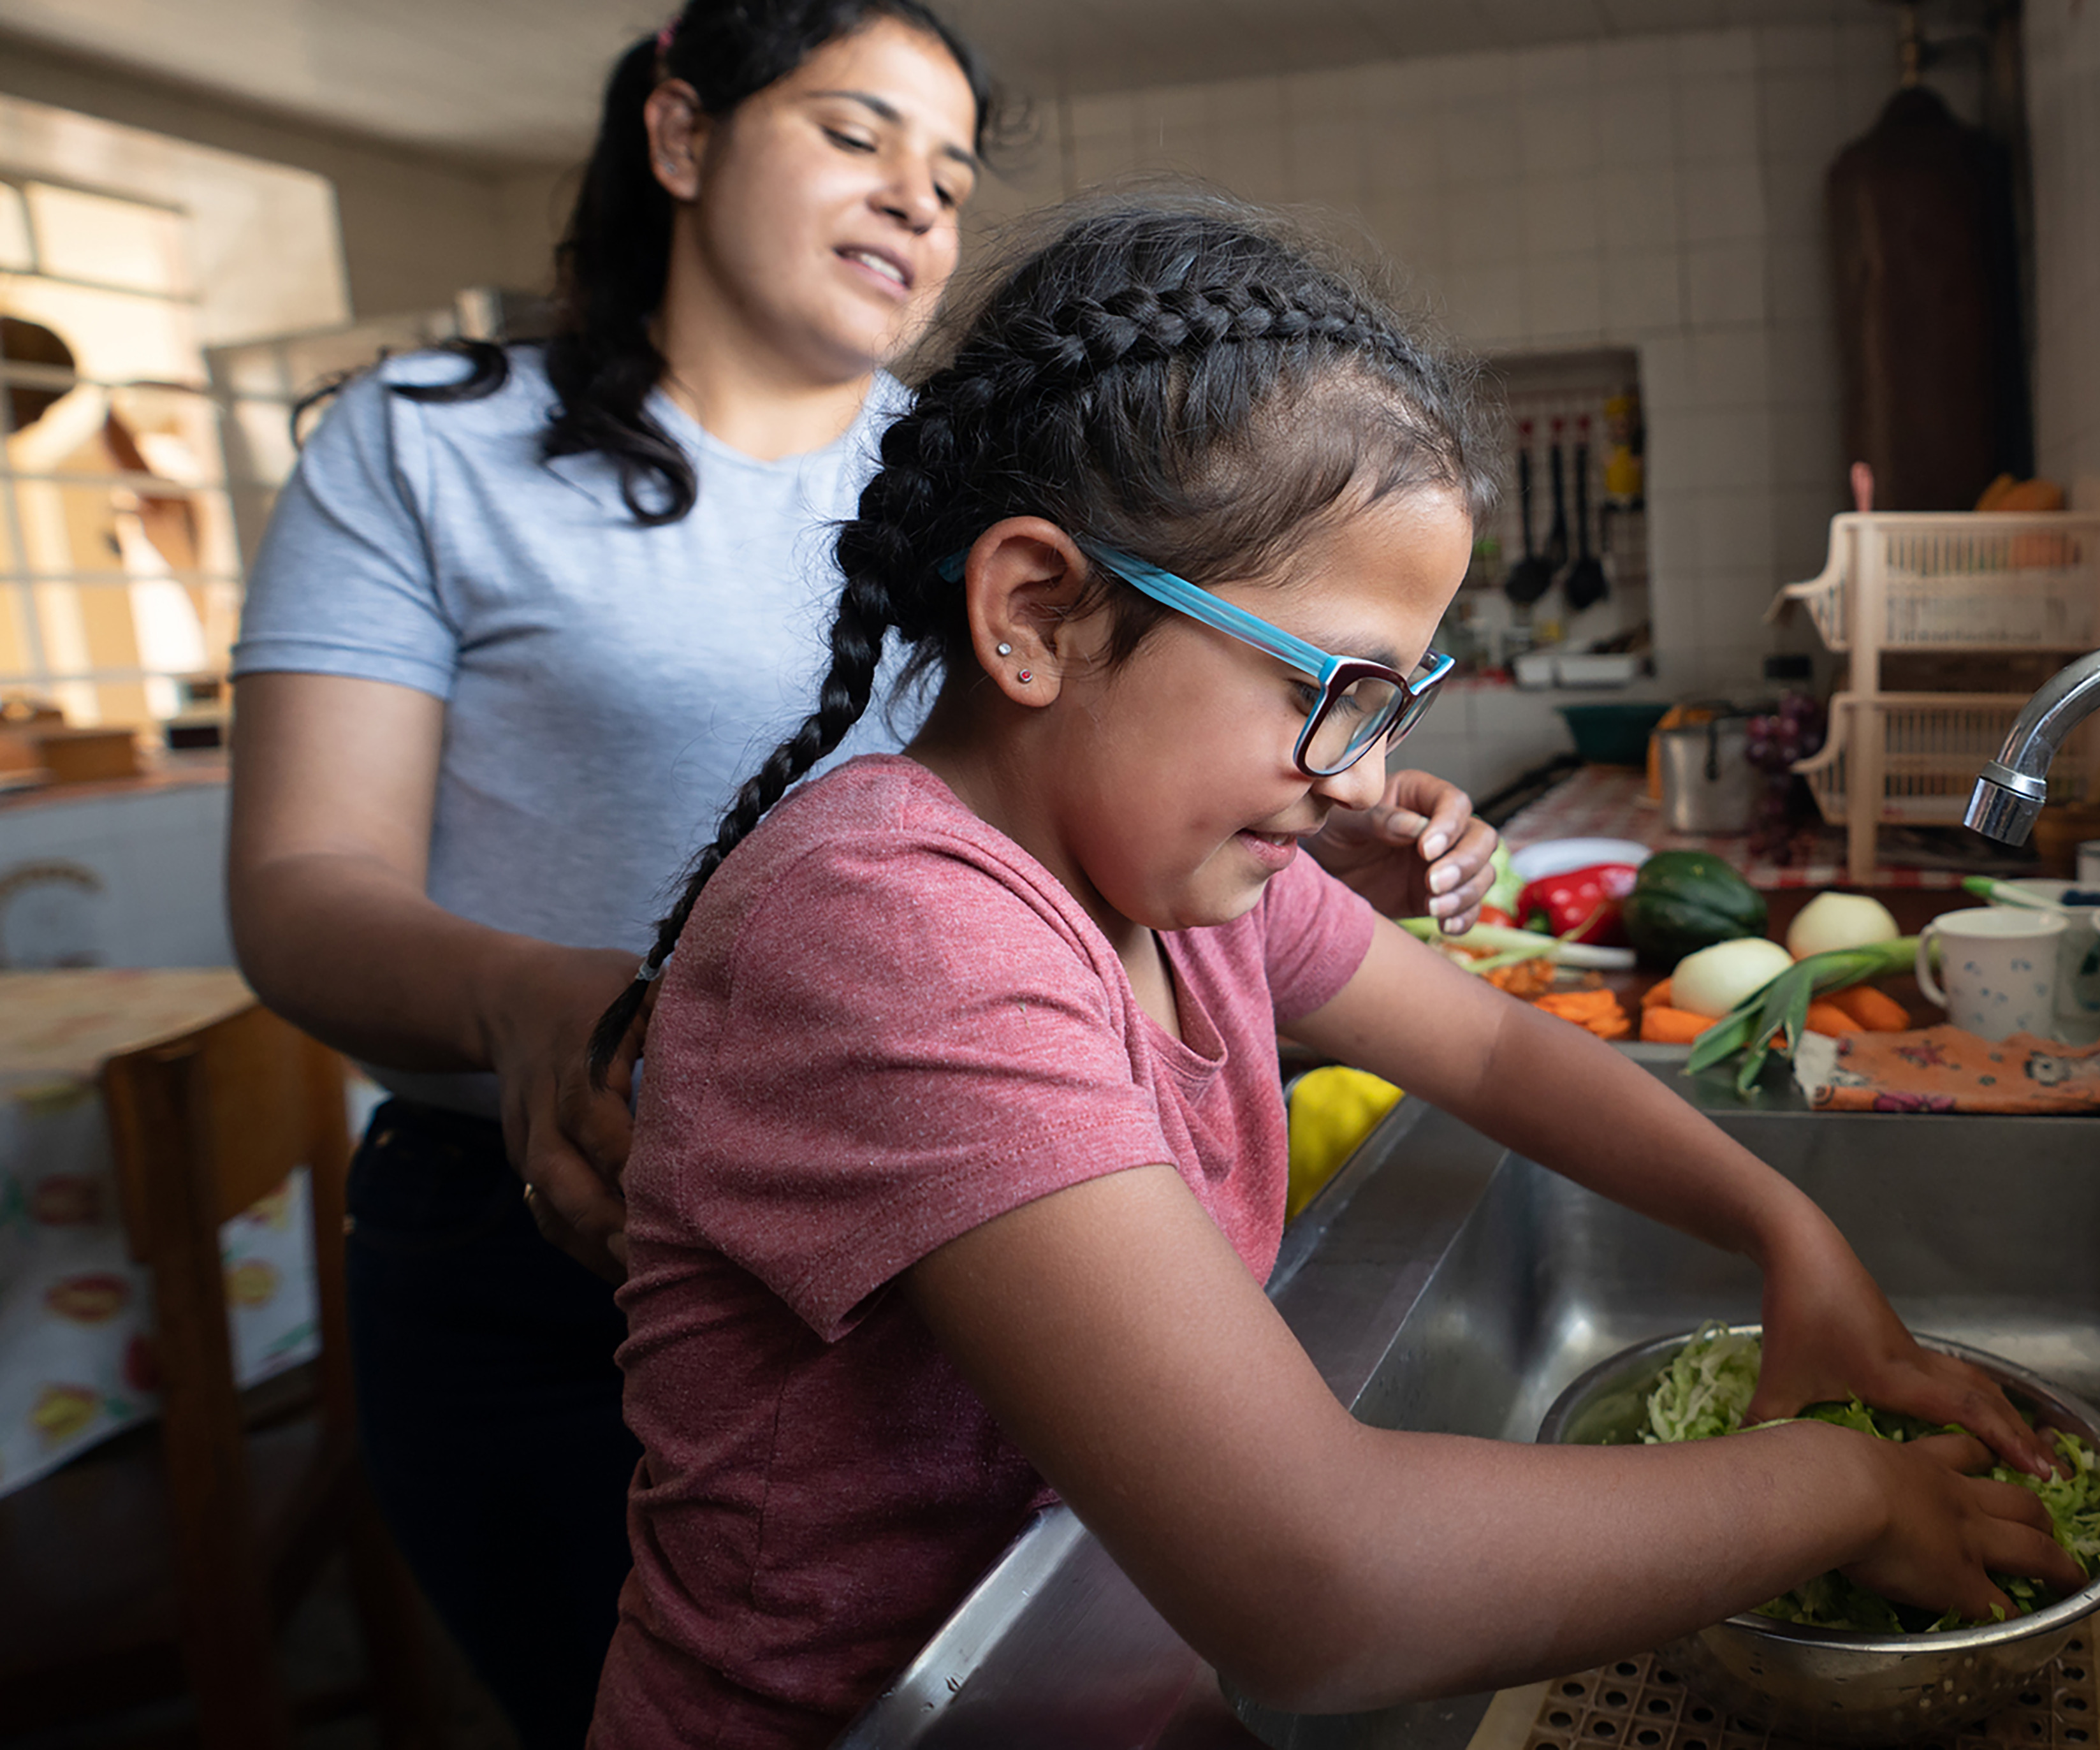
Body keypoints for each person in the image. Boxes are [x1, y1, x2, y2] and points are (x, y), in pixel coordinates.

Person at [589, 196, 2080, 1749]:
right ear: (1036, 613)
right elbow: (1317, 1585)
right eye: (1332, 689)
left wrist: (1785, 1225)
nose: (1365, 778)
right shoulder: (894, 921)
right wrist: (1839, 1485)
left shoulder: (1175, 882)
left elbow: (1496, 1055)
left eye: (1395, 700)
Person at [223, 6, 1494, 1743]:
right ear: (678, 135)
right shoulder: (428, 441)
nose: (916, 197)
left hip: (972, 1227)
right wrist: (539, 1002)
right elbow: (299, 880)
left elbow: (1062, 781)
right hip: (538, 1227)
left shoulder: (986, 471)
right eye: (855, 133)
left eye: (953, 172)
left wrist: (1295, 789)